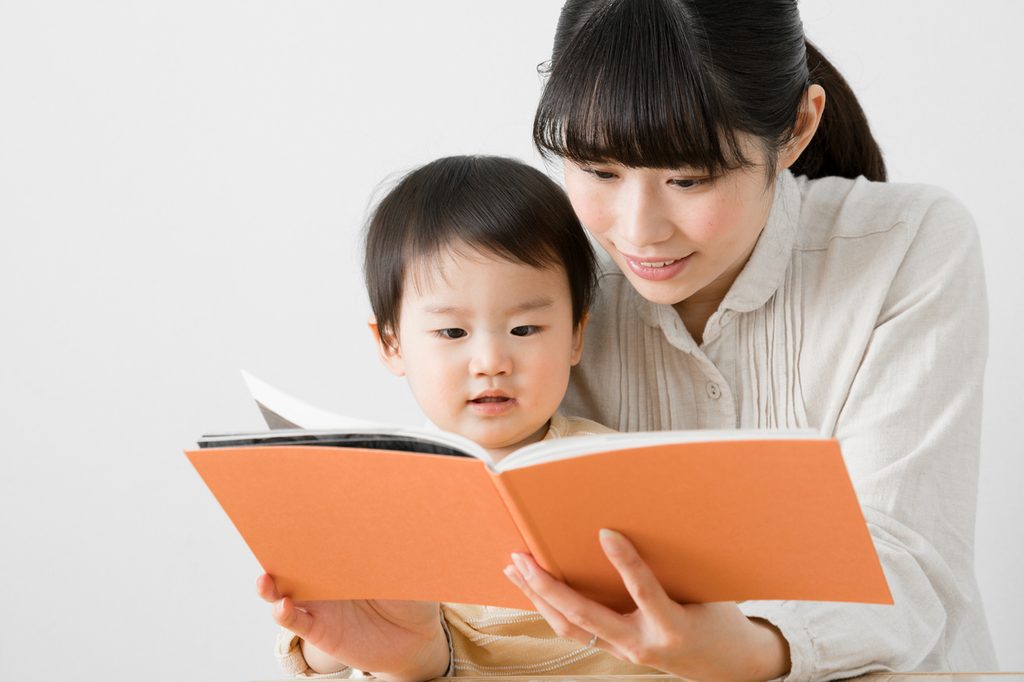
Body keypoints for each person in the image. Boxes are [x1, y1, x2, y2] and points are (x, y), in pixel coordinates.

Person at [498, 0, 998, 680]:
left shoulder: (904, 244)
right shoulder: (546, 276)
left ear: (795, 127)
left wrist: (754, 646)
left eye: (688, 178)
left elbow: (909, 561)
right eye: (599, 172)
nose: (638, 231)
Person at [255, 155, 663, 679]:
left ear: (576, 335)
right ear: (391, 343)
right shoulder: (378, 492)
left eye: (525, 330)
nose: (491, 362)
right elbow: (320, 654)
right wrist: (328, 627)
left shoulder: (620, 469)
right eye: (452, 334)